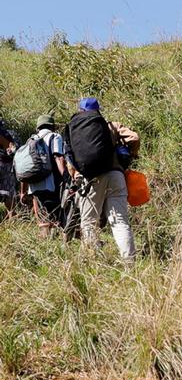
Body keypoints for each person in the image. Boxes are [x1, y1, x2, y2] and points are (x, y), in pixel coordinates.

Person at [62, 98, 137, 262]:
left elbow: (69, 161)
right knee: (120, 222)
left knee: (89, 223)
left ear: (81, 111)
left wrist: (76, 175)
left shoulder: (76, 130)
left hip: (91, 179)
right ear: (98, 110)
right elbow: (134, 137)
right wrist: (132, 155)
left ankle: (92, 262)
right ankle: (130, 263)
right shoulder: (111, 126)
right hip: (116, 176)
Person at [20, 115, 67, 237]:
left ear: (38, 128)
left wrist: (23, 192)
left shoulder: (30, 140)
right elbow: (58, 157)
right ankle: (58, 248)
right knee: (57, 218)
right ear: (53, 126)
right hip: (51, 185)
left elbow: (25, 168)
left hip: (34, 186)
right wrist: (66, 177)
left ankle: (44, 245)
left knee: (42, 220)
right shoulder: (55, 136)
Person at [0, 117, 18, 216]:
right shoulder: (8, 133)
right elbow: (12, 149)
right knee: (8, 192)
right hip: (7, 165)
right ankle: (12, 217)